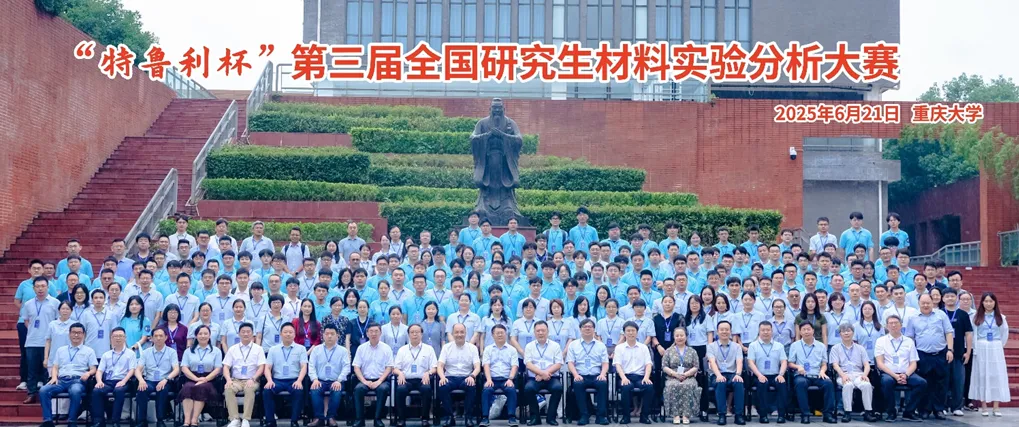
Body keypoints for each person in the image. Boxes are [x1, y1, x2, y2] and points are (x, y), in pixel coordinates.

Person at [39, 322, 96, 427]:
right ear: (69, 334)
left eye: (79, 333)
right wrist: (54, 377)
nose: (76, 335)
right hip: (61, 380)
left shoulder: (89, 351)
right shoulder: (61, 350)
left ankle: (72, 421)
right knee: (43, 390)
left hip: (77, 380)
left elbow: (93, 369)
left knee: (75, 391)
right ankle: (48, 421)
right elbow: (55, 367)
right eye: (74, 332)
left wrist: (88, 373)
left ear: (84, 335)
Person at [905, 294, 953, 419]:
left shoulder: (941, 315)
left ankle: (939, 409)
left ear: (932, 302)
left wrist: (950, 350)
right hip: (922, 354)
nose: (926, 305)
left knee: (941, 383)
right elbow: (910, 337)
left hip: (940, 354)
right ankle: (924, 409)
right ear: (919, 303)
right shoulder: (913, 317)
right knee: (925, 382)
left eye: (928, 303)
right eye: (923, 303)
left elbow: (948, 332)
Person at [874, 315, 926, 422]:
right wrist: (895, 376)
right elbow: (880, 363)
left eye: (896, 323)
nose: (893, 325)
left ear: (901, 325)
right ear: (886, 326)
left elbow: (913, 363)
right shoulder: (881, 341)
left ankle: (909, 412)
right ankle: (891, 412)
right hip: (889, 373)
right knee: (886, 382)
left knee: (922, 383)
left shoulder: (909, 341)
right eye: (891, 323)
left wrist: (906, 375)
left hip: (906, 373)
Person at [969, 292, 1010, 416]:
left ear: (995, 303)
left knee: (996, 376)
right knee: (982, 375)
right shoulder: (976, 317)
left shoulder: (1001, 318)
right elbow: (973, 334)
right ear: (982, 302)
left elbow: (1004, 333)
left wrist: (998, 345)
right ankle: (984, 406)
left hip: (995, 347)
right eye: (986, 301)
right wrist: (975, 348)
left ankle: (996, 407)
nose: (988, 304)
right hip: (981, 347)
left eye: (991, 301)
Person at [787, 322, 836, 424]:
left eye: (808, 329)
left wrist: (822, 371)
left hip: (817, 374)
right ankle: (805, 414)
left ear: (813, 331)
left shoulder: (821, 346)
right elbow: (790, 363)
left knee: (828, 383)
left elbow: (824, 364)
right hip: (802, 375)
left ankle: (828, 414)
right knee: (800, 383)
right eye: (804, 329)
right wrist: (798, 367)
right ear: (800, 332)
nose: (806, 332)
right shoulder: (795, 345)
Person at [21, 276, 60, 403]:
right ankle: (31, 393)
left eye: (43, 286)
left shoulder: (55, 303)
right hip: (32, 341)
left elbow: (58, 321)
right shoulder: (28, 304)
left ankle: (48, 394)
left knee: (47, 370)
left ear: (48, 287)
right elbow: (26, 321)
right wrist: (34, 331)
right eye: (37, 286)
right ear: (33, 288)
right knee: (31, 370)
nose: (40, 289)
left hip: (49, 342)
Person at [565, 318, 610, 426]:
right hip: (580, 375)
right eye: (585, 327)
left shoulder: (600, 345)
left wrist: (602, 374)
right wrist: (576, 375)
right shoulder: (573, 345)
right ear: (580, 329)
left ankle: (601, 416)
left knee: (603, 383)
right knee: (577, 384)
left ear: (594, 329)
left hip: (596, 375)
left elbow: (605, 363)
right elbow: (570, 363)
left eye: (590, 327)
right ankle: (584, 415)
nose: (587, 328)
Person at [263, 323, 309, 427]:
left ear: (294, 334)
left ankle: (294, 421)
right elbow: (267, 367)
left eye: (290, 332)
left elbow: (303, 367)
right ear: (281, 334)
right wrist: (269, 380)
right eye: (285, 332)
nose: (288, 334)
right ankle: (270, 421)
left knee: (298, 391)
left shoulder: (301, 349)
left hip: (294, 380)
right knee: (267, 391)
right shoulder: (273, 349)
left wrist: (299, 381)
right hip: (277, 380)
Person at [828, 323, 875, 422]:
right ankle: (847, 412)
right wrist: (843, 375)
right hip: (843, 374)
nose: (846, 333)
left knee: (867, 385)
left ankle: (868, 412)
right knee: (848, 385)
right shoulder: (835, 348)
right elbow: (835, 365)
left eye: (848, 331)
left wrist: (865, 375)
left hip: (858, 374)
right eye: (843, 331)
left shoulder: (860, 348)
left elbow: (866, 364)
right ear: (840, 334)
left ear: (853, 333)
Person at [222, 322, 267, 427]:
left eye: (248, 332)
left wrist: (253, 378)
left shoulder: (258, 349)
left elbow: (261, 367)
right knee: (228, 389)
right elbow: (226, 367)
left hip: (252, 380)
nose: (246, 334)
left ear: (253, 334)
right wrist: (228, 380)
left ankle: (246, 419)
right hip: (236, 380)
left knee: (249, 389)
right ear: (239, 334)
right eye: (243, 332)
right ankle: (235, 419)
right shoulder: (233, 349)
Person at [91, 327, 138, 427]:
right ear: (111, 338)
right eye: (115, 336)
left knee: (119, 390)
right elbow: (99, 371)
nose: (118, 338)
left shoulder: (131, 354)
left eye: (120, 336)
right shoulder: (106, 354)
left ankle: (115, 421)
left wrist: (123, 381)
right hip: (108, 381)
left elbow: (132, 370)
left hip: (124, 381)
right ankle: (99, 421)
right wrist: (99, 381)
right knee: (96, 391)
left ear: (125, 338)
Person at [135, 327, 181, 427]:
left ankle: (160, 420)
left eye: (161, 336)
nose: (158, 338)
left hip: (165, 380)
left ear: (166, 337)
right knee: (141, 389)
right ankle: (142, 421)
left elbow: (176, 369)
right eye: (155, 336)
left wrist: (166, 379)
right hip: (150, 381)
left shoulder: (171, 352)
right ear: (151, 338)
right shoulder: (146, 352)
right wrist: (141, 380)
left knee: (162, 389)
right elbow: (138, 369)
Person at [438, 323, 482, 427]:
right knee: (443, 386)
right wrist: (442, 377)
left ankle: (468, 417)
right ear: (453, 334)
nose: (459, 334)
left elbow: (477, 367)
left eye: (462, 332)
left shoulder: (472, 348)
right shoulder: (446, 347)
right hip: (450, 377)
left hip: (466, 377)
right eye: (456, 332)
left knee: (471, 385)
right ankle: (449, 417)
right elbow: (440, 365)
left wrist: (472, 376)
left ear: (465, 333)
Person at [395, 324, 439, 427]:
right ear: (408, 335)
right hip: (406, 380)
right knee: (400, 390)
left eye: (417, 332)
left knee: (427, 389)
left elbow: (434, 367)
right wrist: (400, 373)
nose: (415, 334)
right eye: (412, 332)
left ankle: (425, 419)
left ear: (422, 334)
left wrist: (428, 373)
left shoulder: (429, 349)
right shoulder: (402, 350)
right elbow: (395, 368)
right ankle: (401, 419)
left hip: (422, 379)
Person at [179, 325, 223, 427]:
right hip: (192, 377)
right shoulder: (188, 351)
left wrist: (205, 379)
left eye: (205, 333)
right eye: (200, 334)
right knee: (187, 388)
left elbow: (217, 369)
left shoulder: (216, 351)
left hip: (209, 379)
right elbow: (184, 368)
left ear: (210, 335)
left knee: (201, 387)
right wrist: (196, 379)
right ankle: (187, 421)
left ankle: (194, 420)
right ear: (196, 336)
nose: (203, 336)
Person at [523, 320, 565, 426]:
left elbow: (558, 363)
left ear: (548, 331)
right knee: (528, 389)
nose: (540, 333)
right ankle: (535, 417)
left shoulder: (555, 346)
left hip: (552, 377)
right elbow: (528, 364)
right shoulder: (529, 346)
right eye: (538, 331)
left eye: (543, 330)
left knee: (557, 388)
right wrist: (541, 373)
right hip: (534, 378)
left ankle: (551, 417)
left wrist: (545, 373)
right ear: (534, 332)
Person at [352, 322, 394, 427]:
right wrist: (364, 381)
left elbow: (389, 367)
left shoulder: (386, 348)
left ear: (380, 333)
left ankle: (377, 419)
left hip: (381, 380)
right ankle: (360, 420)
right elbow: (356, 367)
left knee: (383, 389)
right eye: (371, 331)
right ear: (367, 333)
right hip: (365, 379)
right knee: (358, 389)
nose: (373, 334)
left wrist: (379, 381)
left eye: (376, 331)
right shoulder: (361, 348)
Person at [309, 324, 351, 427]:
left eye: (332, 334)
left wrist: (339, 380)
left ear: (337, 336)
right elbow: (311, 366)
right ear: (323, 335)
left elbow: (347, 367)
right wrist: (314, 379)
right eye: (327, 334)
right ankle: (319, 418)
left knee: (336, 390)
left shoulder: (343, 351)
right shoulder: (316, 350)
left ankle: (331, 417)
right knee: (315, 390)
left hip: (336, 380)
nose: (329, 336)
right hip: (320, 380)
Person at [746, 321, 788, 424]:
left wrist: (781, 374)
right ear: (759, 331)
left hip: (775, 375)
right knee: (762, 384)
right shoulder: (753, 345)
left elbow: (784, 361)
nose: (765, 332)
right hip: (759, 375)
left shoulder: (779, 346)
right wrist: (759, 375)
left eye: (768, 330)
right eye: (763, 330)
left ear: (772, 331)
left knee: (782, 383)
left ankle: (781, 415)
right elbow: (751, 363)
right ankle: (763, 415)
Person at [615, 321, 656, 425]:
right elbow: (618, 365)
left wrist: (646, 377)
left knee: (649, 387)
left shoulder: (643, 347)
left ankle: (644, 416)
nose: (631, 333)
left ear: (637, 333)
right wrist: (624, 378)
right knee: (626, 387)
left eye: (633, 331)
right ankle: (626, 417)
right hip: (625, 376)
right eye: (628, 331)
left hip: (640, 377)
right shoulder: (619, 348)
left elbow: (648, 364)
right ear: (624, 333)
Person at [707, 320, 745, 426]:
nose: (724, 332)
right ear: (717, 331)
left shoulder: (736, 346)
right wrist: (718, 375)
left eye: (727, 329)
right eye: (722, 330)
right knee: (721, 383)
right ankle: (722, 415)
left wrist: (738, 374)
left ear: (730, 331)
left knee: (739, 383)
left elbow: (739, 361)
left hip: (732, 373)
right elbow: (712, 362)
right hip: (717, 374)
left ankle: (739, 415)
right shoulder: (711, 346)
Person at [481, 324, 520, 427]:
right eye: (497, 333)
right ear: (492, 335)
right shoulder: (488, 349)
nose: (500, 335)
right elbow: (486, 365)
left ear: (506, 334)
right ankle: (485, 418)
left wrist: (510, 379)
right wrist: (488, 379)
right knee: (486, 390)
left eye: (502, 333)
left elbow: (514, 366)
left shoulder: (512, 350)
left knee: (511, 390)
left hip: (506, 379)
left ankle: (511, 417)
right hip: (492, 379)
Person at [662, 326, 701, 425]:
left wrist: (686, 374)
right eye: (677, 336)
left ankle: (686, 415)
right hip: (672, 376)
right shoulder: (668, 351)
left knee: (688, 385)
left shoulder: (692, 351)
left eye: (682, 335)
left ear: (686, 337)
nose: (679, 337)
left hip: (689, 376)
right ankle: (675, 415)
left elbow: (696, 366)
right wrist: (675, 374)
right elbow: (664, 366)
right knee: (673, 386)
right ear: (674, 337)